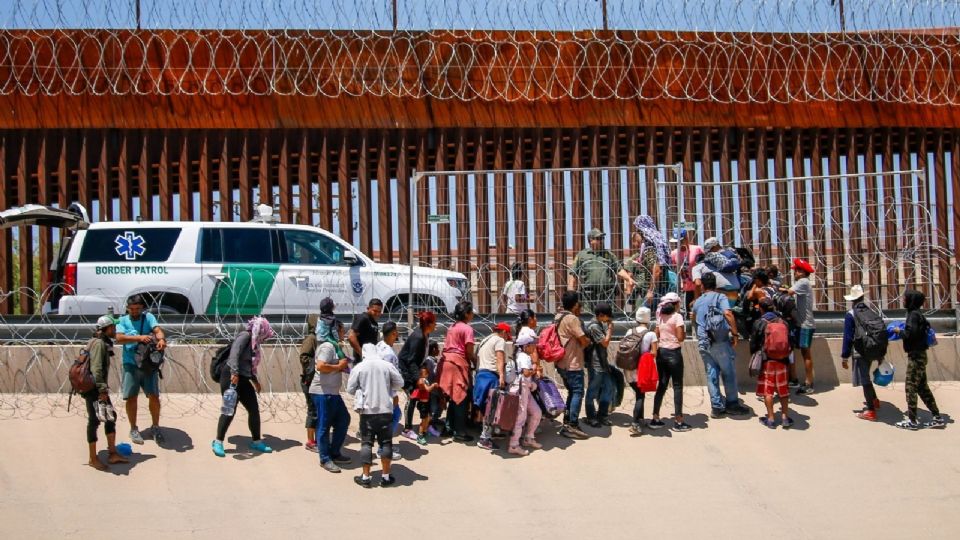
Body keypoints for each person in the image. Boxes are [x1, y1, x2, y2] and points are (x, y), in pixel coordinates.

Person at [212, 316, 275, 457]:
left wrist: (255, 381)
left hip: (243, 378)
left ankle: (256, 441)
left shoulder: (255, 344)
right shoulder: (245, 336)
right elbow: (234, 353)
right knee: (229, 409)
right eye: (264, 331)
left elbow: (249, 365)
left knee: (253, 409)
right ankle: (218, 441)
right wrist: (234, 372)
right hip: (230, 376)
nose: (265, 335)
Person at [692, 272, 749, 418]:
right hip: (720, 341)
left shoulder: (697, 302)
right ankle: (732, 404)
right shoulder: (720, 297)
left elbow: (694, 319)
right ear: (715, 285)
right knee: (728, 372)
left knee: (711, 374)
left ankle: (716, 407)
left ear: (703, 285)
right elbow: (728, 314)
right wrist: (735, 334)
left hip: (704, 341)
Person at [347, 344, 404, 488]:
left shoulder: (359, 367)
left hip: (367, 412)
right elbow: (400, 383)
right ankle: (385, 477)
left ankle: (366, 477)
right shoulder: (387, 366)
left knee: (366, 443)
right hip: (385, 410)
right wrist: (387, 386)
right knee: (386, 443)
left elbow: (350, 389)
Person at [115, 295, 167, 446]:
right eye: (132, 309)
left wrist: (161, 339)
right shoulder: (122, 320)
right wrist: (139, 338)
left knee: (154, 397)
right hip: (130, 364)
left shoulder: (148, 317)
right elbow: (119, 338)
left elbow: (158, 330)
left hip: (148, 365)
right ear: (127, 308)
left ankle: (155, 426)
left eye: (138, 309)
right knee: (131, 397)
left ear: (142, 308)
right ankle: (133, 428)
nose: (135, 311)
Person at [894, 290, 946, 430]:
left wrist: (899, 331)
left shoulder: (913, 315)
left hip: (916, 357)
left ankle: (912, 421)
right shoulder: (917, 314)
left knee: (910, 387)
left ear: (911, 300)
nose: (903, 300)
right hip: (920, 355)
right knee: (922, 388)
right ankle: (937, 418)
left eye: (905, 298)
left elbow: (911, 334)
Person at [84, 315, 129, 470]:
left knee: (110, 417)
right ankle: (93, 458)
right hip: (94, 389)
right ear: (107, 328)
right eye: (113, 327)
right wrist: (102, 390)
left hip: (95, 388)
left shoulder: (100, 342)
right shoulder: (98, 344)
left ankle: (112, 453)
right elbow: (96, 369)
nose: (115, 330)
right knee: (94, 421)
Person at [309, 332, 351, 473]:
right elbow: (320, 366)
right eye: (340, 330)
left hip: (332, 392)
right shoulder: (328, 347)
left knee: (343, 419)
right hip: (322, 392)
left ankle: (334, 452)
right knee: (324, 425)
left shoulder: (336, 347)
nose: (343, 333)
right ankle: (325, 459)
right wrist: (339, 366)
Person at [751, 298, 795, 429]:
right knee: (783, 390)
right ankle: (785, 417)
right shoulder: (783, 322)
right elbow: (791, 342)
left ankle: (770, 419)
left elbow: (753, 343)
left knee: (768, 390)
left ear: (761, 308)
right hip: (782, 361)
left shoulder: (759, 323)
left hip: (767, 361)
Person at [568, 228, 635, 313]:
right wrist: (571, 292)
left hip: (607, 294)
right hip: (589, 295)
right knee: (589, 318)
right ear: (591, 240)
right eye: (598, 239)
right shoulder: (582, 255)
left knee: (607, 318)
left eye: (602, 238)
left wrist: (628, 279)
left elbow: (619, 269)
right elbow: (573, 273)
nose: (601, 241)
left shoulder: (609, 255)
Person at [840, 285, 881, 422]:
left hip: (859, 351)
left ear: (852, 299)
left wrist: (845, 356)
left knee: (864, 379)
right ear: (862, 297)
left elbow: (848, 337)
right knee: (867, 376)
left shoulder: (850, 315)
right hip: (872, 348)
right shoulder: (870, 311)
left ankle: (870, 410)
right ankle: (874, 400)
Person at [651, 293, 691, 432]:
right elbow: (680, 337)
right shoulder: (677, 317)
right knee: (677, 386)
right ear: (675, 304)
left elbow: (656, 333)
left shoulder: (660, 316)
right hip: (674, 353)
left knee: (661, 385)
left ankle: (655, 417)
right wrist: (683, 332)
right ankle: (679, 421)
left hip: (662, 353)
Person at [438, 301, 476, 442]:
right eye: (471, 312)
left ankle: (448, 427)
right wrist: (476, 363)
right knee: (461, 397)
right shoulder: (467, 329)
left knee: (453, 397)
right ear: (466, 314)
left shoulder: (451, 327)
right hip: (457, 364)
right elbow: (469, 352)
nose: (472, 315)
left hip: (446, 362)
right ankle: (459, 431)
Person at [555, 291, 592, 439]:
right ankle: (572, 425)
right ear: (576, 304)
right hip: (572, 362)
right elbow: (583, 341)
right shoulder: (572, 319)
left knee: (572, 391)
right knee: (577, 391)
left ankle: (567, 421)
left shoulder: (558, 316)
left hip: (562, 362)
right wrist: (588, 341)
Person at [399, 311, 437, 440]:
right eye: (434, 322)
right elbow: (411, 360)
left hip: (414, 370)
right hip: (407, 371)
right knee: (411, 398)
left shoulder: (425, 335)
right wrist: (418, 378)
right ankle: (407, 429)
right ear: (429, 324)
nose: (436, 324)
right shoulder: (418, 337)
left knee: (419, 398)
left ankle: (424, 424)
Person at [475, 322, 514, 451]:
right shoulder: (499, 340)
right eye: (507, 334)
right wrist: (502, 376)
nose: (506, 337)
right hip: (491, 377)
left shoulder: (485, 340)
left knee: (486, 407)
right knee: (491, 408)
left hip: (481, 376)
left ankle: (489, 434)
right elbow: (499, 358)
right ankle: (485, 438)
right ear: (503, 332)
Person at [623, 306, 660, 435]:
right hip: (641, 369)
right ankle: (635, 423)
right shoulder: (651, 334)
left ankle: (640, 418)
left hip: (628, 367)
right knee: (640, 395)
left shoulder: (629, 331)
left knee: (637, 392)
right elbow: (654, 353)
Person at [507, 331, 544, 456]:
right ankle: (513, 445)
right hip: (521, 390)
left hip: (526, 389)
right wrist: (535, 368)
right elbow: (526, 373)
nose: (534, 347)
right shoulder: (523, 356)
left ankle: (528, 438)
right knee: (520, 418)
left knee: (536, 412)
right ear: (525, 346)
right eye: (532, 345)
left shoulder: (523, 355)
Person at [783, 259, 816, 395]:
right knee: (795, 350)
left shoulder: (803, 282)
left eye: (797, 270)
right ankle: (794, 379)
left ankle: (809, 383)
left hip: (805, 324)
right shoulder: (801, 283)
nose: (794, 272)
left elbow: (788, 292)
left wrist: (773, 288)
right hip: (800, 323)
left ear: (803, 272)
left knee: (805, 353)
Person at [624, 215, 669, 312]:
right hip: (661, 287)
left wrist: (650, 291)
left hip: (655, 291)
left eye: (638, 230)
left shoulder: (649, 247)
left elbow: (656, 270)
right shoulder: (657, 241)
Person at [584, 303, 615, 428]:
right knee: (592, 391)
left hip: (603, 363)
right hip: (595, 364)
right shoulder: (594, 327)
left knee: (608, 388)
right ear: (601, 315)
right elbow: (605, 343)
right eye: (607, 317)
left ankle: (602, 415)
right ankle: (591, 417)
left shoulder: (599, 324)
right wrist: (610, 330)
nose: (608, 319)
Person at [377, 322, 403, 461]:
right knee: (394, 416)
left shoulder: (379, 346)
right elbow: (388, 377)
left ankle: (385, 446)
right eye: (396, 332)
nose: (397, 335)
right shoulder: (389, 354)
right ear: (393, 333)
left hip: (377, 390)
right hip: (386, 392)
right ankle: (383, 448)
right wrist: (394, 395)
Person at [692, 237, 740, 303]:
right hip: (735, 291)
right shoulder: (723, 261)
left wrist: (696, 300)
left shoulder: (698, 267)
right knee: (729, 309)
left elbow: (698, 284)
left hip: (720, 291)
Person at [299, 314, 320, 452]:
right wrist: (317, 364)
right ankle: (310, 441)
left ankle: (316, 439)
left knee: (317, 411)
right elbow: (303, 357)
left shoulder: (317, 338)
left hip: (314, 380)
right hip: (309, 380)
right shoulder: (311, 339)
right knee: (312, 411)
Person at [670, 227, 704, 311]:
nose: (679, 243)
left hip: (700, 288)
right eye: (677, 242)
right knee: (689, 313)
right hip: (687, 289)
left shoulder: (697, 250)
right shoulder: (674, 254)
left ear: (686, 238)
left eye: (681, 241)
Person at [348, 298, 383, 365]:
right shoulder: (363, 318)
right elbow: (351, 337)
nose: (377, 314)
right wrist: (363, 355)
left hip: (371, 361)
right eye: (375, 311)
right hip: (362, 362)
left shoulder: (374, 322)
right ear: (368, 308)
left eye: (379, 311)